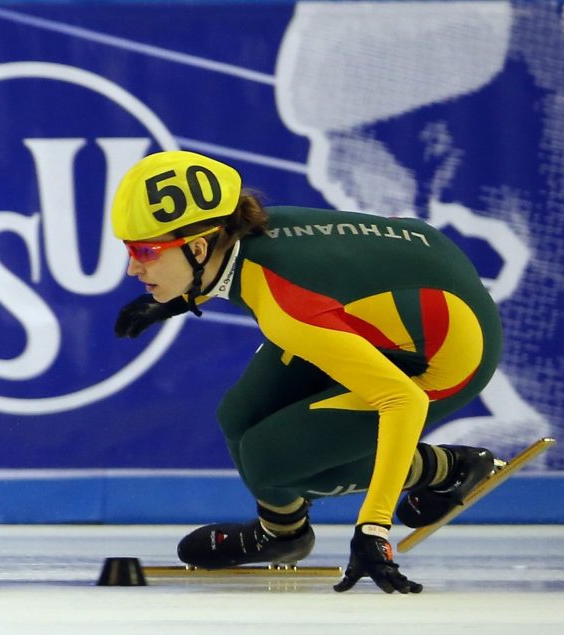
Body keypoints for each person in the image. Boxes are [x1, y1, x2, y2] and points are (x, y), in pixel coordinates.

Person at [111, 150, 503, 594]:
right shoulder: (250, 230)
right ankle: (283, 534)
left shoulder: (288, 312)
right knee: (239, 414)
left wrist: (374, 529)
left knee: (269, 459)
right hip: (410, 301)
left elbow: (402, 399)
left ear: (199, 247)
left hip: (448, 353)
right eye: (129, 249)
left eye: (145, 251)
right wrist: (176, 298)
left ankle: (448, 469)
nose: (132, 266)